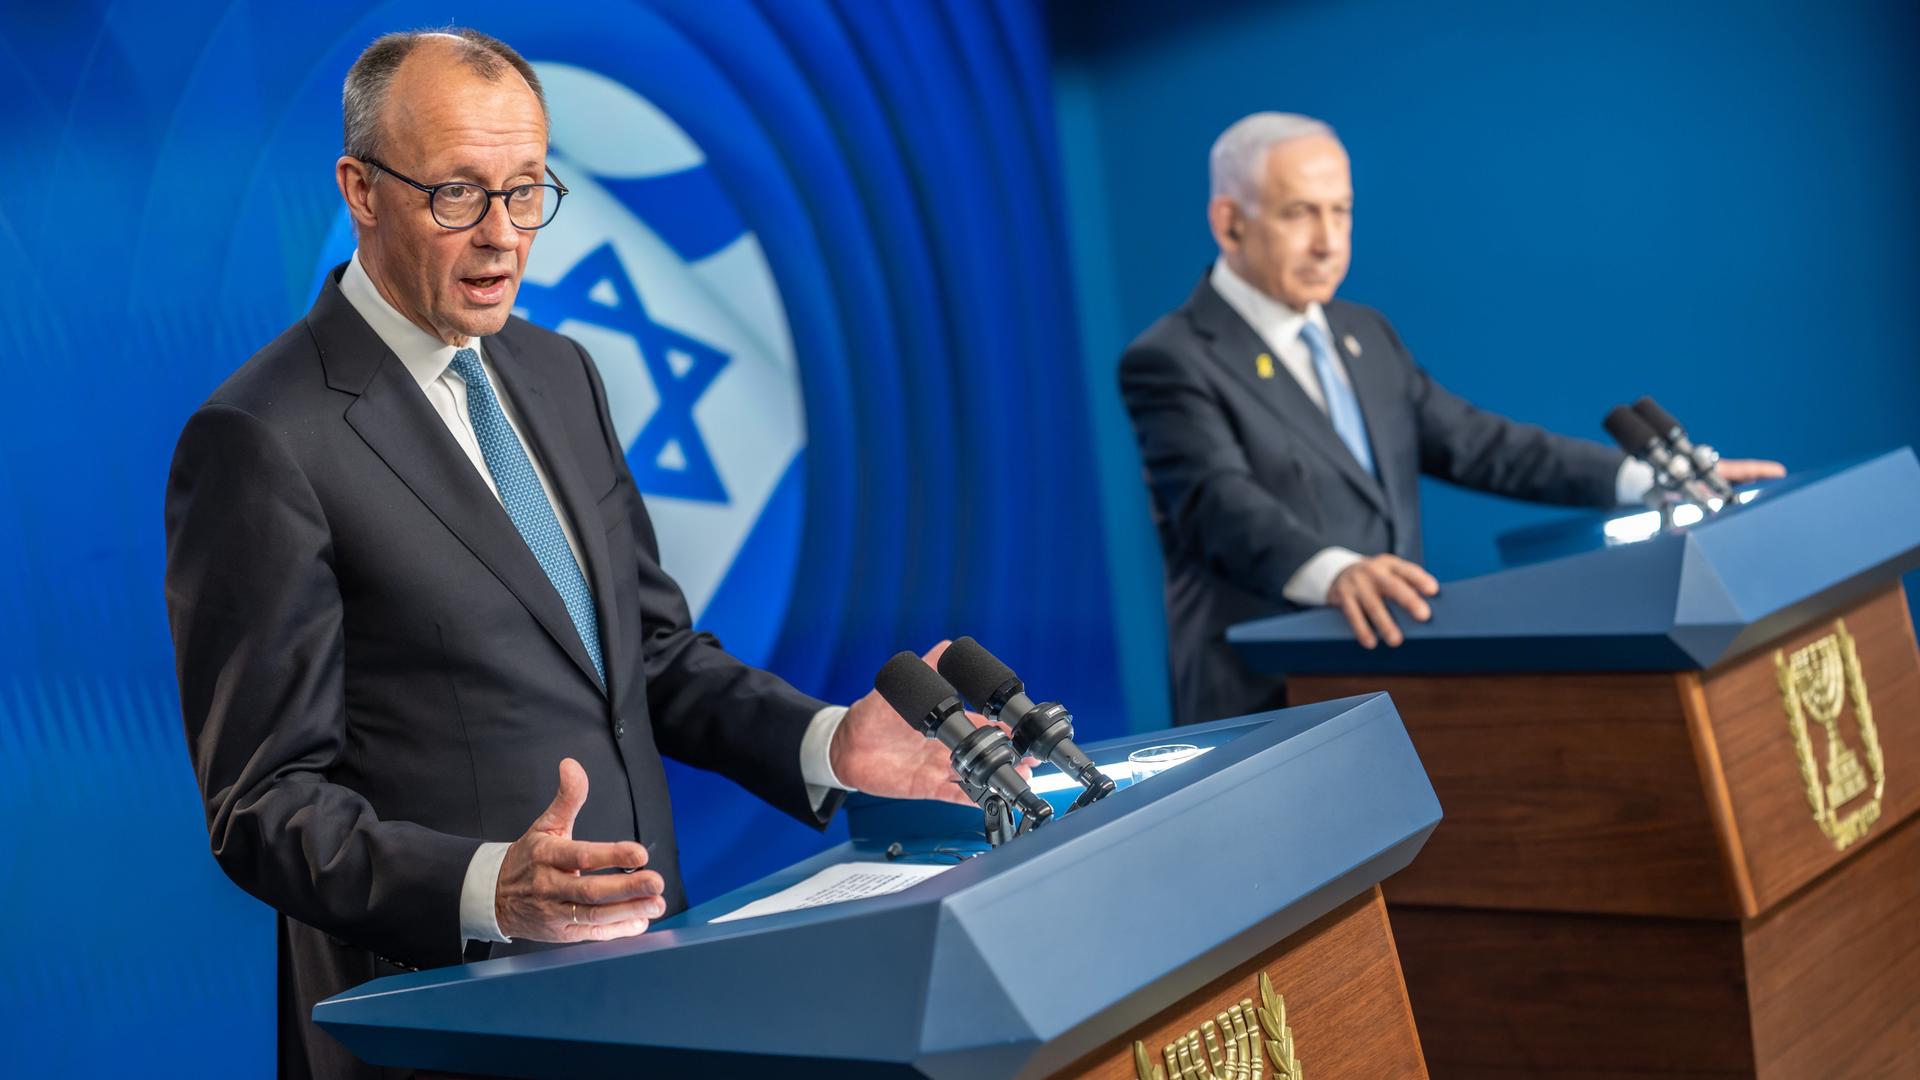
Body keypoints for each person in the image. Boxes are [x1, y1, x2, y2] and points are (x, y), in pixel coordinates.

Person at [163, 29, 979, 1079]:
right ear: (361, 191)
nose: (503, 237)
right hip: (448, 1031)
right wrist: (486, 885)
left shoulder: (557, 372)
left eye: (527, 191)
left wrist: (825, 744)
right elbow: (264, 806)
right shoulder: (262, 436)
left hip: (651, 1001)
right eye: (458, 194)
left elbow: (649, 654)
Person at [1118, 112, 1782, 725]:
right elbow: (1218, 502)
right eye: (1300, 214)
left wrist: (1647, 481)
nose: (1328, 242)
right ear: (1230, 221)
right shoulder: (1171, 358)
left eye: (1342, 212)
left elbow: (1478, 444)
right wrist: (1334, 569)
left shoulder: (1363, 332)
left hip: (1393, 675)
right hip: (1263, 697)